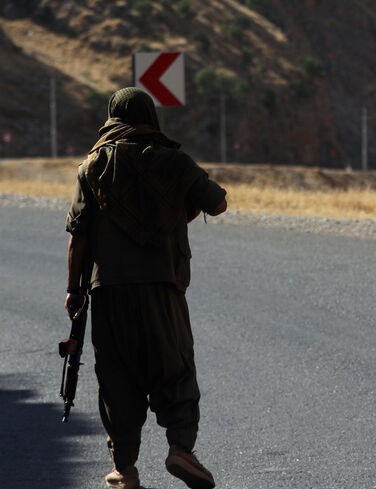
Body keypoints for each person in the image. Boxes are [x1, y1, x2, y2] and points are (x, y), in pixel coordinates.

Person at [65, 87, 226, 489]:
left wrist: (73, 290)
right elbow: (217, 202)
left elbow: (78, 236)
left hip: (109, 294)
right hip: (163, 290)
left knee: (117, 379)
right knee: (175, 369)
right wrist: (178, 212)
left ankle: (125, 468)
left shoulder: (92, 167)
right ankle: (180, 450)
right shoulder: (174, 162)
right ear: (150, 117)